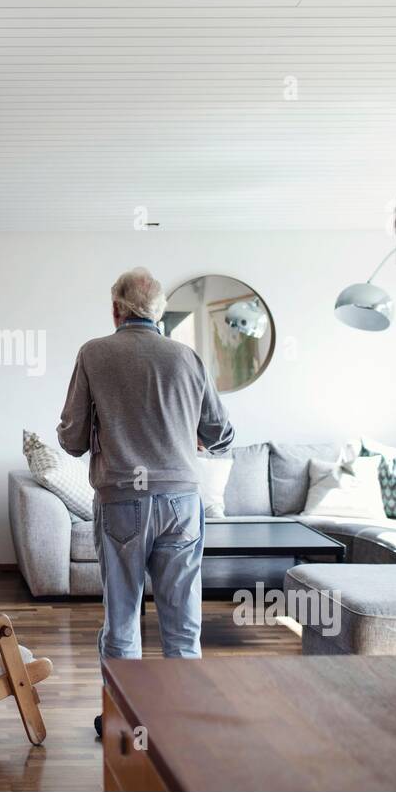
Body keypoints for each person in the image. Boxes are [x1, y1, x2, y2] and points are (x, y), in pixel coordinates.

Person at [57, 267, 233, 735]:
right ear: (158, 313)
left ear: (116, 309)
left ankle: (125, 719)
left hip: (122, 504)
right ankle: (184, 720)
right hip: (181, 504)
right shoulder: (187, 357)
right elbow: (222, 434)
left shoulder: (94, 353)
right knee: (182, 620)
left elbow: (72, 440)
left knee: (122, 618)